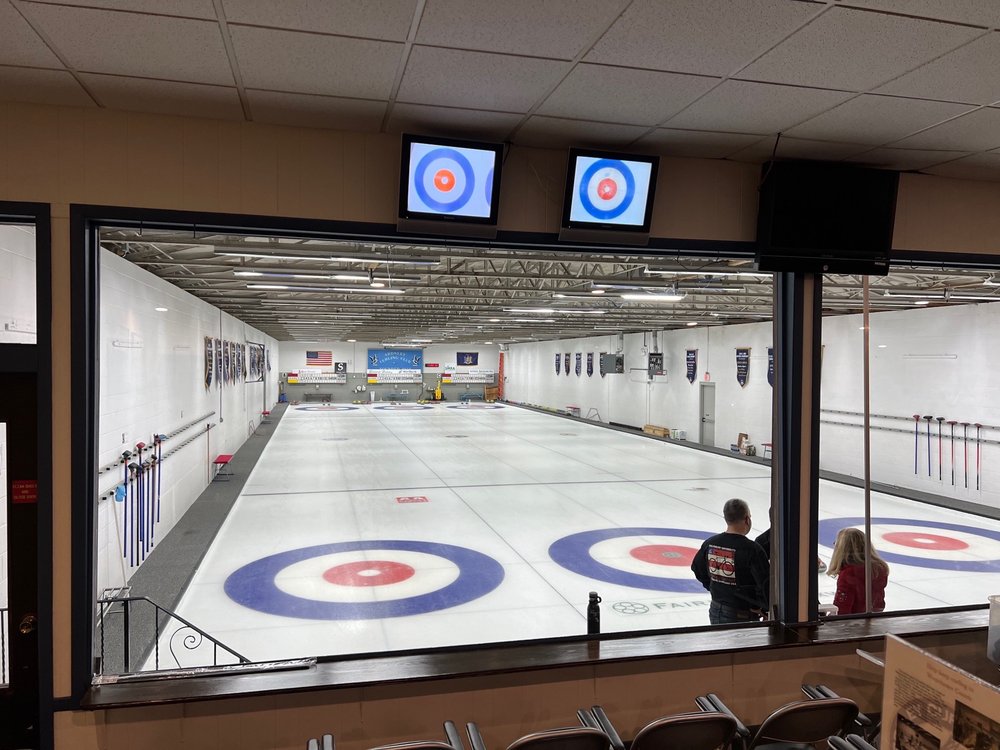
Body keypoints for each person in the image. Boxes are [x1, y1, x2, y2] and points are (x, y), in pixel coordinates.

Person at [691, 498, 769, 624]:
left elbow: (697, 568)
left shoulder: (710, 544)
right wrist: (761, 607)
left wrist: (714, 588)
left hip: (715, 609)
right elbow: (765, 583)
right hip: (742, 615)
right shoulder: (752, 550)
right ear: (747, 520)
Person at [827, 527, 889, 615]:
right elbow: (879, 604)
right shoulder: (879, 568)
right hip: (874, 619)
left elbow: (842, 609)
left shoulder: (848, 573)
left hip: (854, 624)